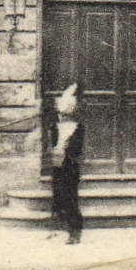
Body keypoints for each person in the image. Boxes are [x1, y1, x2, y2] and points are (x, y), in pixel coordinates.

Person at [49, 83, 84, 245]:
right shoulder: (56, 128)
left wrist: (65, 149)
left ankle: (74, 231)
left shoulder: (77, 128)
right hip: (58, 166)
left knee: (70, 198)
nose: (61, 116)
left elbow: (76, 150)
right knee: (59, 197)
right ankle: (62, 225)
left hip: (69, 167)